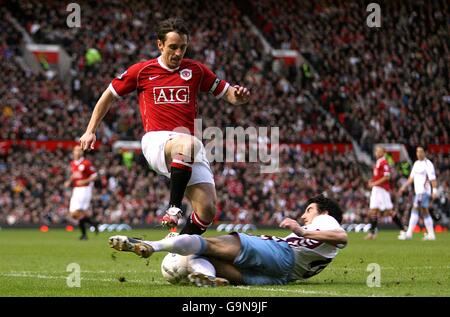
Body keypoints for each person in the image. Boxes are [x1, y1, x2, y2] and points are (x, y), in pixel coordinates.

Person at [79, 17, 250, 236]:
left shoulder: (196, 71)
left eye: (183, 47)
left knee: (207, 209)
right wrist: (90, 130)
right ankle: (174, 207)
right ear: (160, 45)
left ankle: (176, 251)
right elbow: (108, 96)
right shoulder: (142, 71)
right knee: (187, 142)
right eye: (173, 47)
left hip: (186, 147)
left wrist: (240, 97)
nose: (178, 53)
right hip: (157, 140)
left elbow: (229, 95)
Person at [109, 195, 348, 286]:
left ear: (324, 211)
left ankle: (154, 246)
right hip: (283, 277)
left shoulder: (327, 221)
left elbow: (342, 237)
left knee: (209, 243)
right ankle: (209, 278)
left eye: (309, 209)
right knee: (200, 256)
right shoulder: (322, 236)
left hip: (281, 253)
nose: (304, 215)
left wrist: (302, 231)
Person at [365, 145, 407, 240]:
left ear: (383, 153)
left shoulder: (384, 162)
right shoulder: (378, 162)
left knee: (389, 211)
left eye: (378, 151)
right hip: (376, 189)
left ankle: (403, 229)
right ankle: (372, 233)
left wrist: (374, 183)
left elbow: (387, 177)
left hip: (382, 190)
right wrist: (372, 182)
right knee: (373, 210)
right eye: (376, 151)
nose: (376, 153)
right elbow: (378, 176)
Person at [398, 147, 438, 240]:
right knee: (424, 211)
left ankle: (409, 234)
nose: (418, 153)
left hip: (424, 191)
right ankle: (431, 234)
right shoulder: (416, 164)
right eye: (417, 152)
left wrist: (434, 191)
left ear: (424, 153)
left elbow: (433, 179)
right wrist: (404, 187)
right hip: (418, 192)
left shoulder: (428, 164)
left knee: (415, 209)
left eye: (420, 152)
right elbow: (411, 178)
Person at [65, 145, 99, 240]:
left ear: (82, 152)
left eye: (79, 151)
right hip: (76, 189)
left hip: (84, 189)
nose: (77, 152)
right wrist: (69, 181)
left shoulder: (86, 163)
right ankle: (93, 224)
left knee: (78, 212)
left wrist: (84, 181)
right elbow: (75, 175)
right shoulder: (73, 163)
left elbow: (95, 176)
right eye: (75, 151)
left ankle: (84, 235)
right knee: (75, 214)